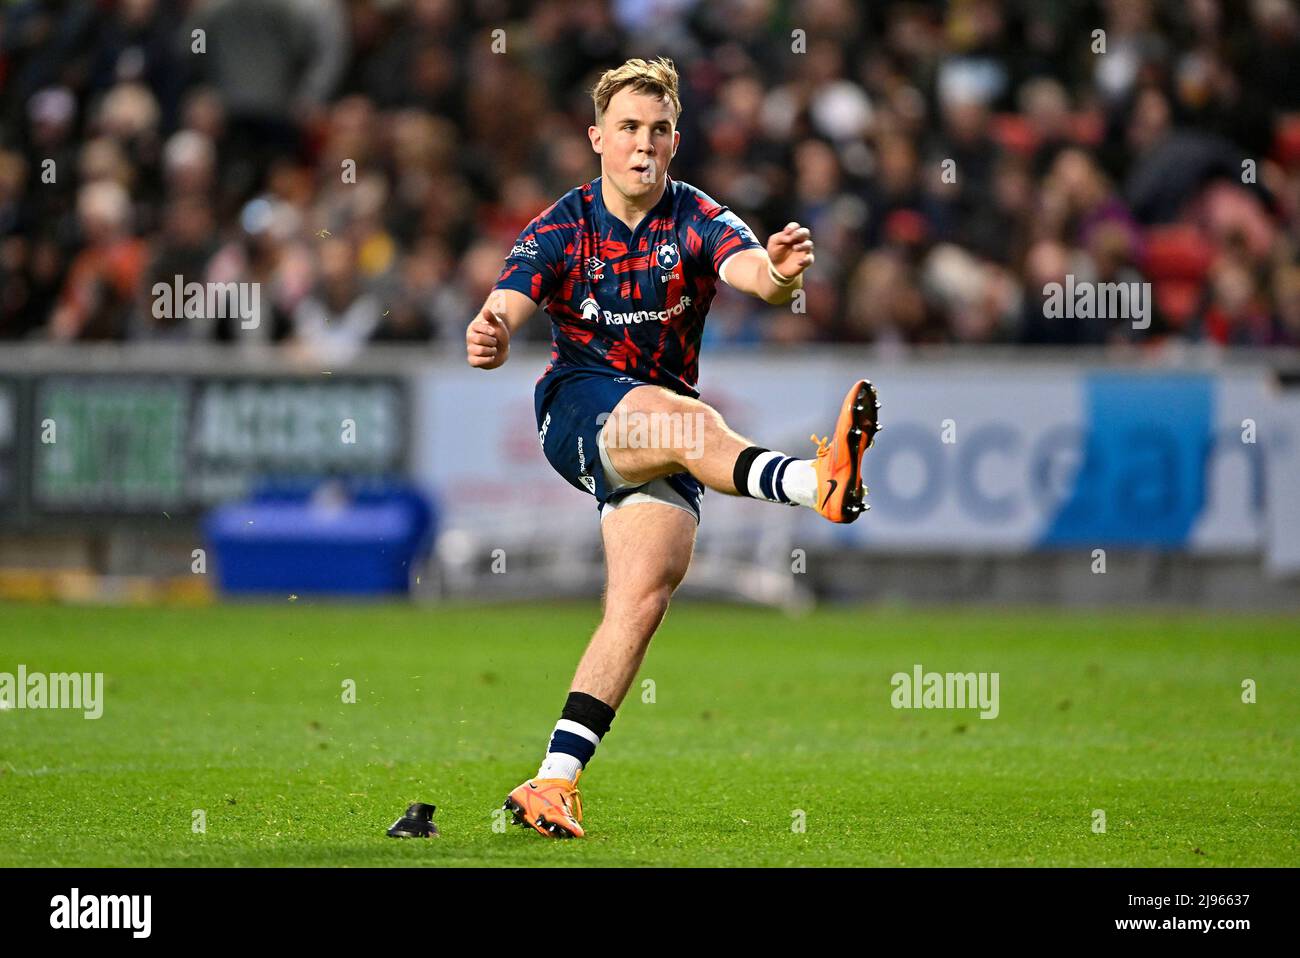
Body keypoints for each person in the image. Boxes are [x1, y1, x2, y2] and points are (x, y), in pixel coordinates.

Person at [465, 58, 880, 838]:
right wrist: (490, 332)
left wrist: (785, 279)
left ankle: (552, 782)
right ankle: (810, 483)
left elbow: (755, 272)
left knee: (640, 602)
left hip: (660, 432)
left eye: (658, 129)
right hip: (579, 408)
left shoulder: (696, 216)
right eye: (627, 128)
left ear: (675, 139)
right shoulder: (563, 224)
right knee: (682, 419)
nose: (642, 143)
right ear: (597, 139)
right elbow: (506, 302)